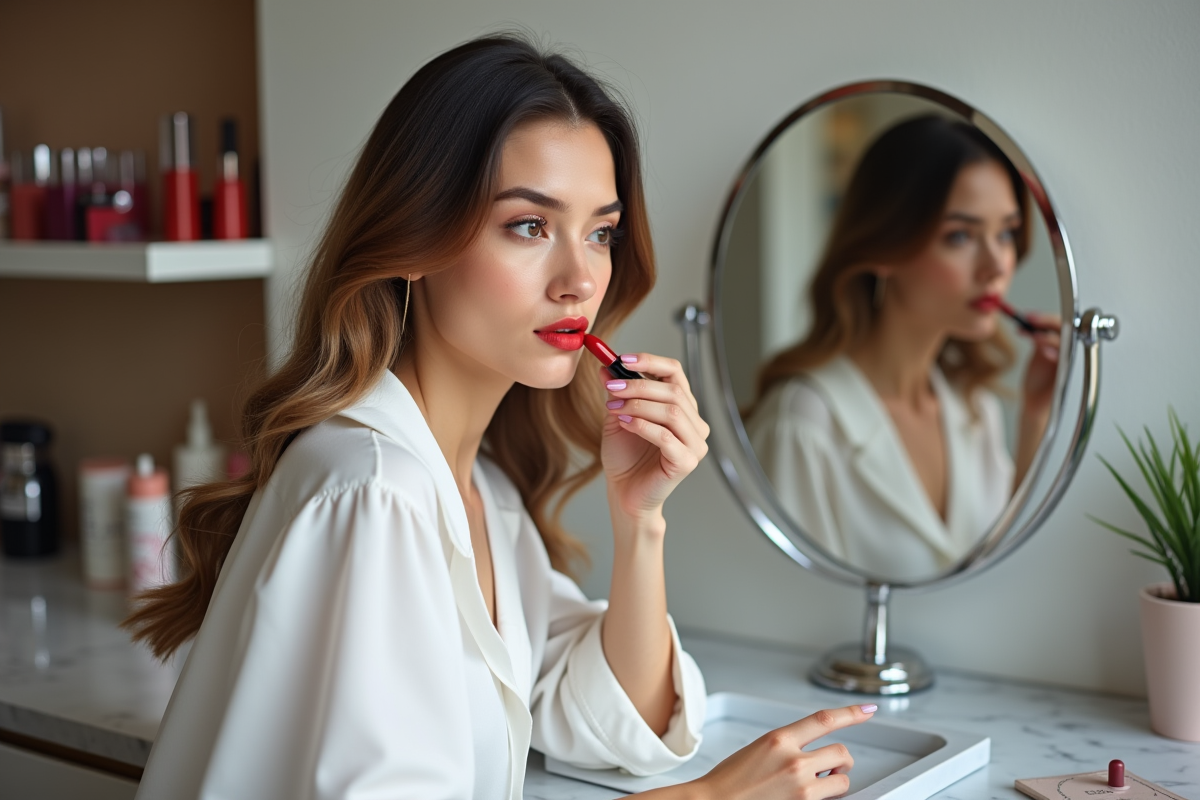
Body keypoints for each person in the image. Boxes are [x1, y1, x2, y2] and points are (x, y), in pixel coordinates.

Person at [124, 35, 874, 800]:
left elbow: (609, 718)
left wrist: (638, 521)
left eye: (601, 233)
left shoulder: (479, 491)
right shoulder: (376, 492)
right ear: (414, 239)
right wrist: (714, 797)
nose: (580, 280)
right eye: (529, 226)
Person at [745, 114, 1061, 582]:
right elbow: (789, 604)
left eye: (1007, 233)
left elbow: (1001, 582)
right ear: (885, 246)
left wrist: (1036, 418)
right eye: (960, 236)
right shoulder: (803, 423)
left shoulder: (976, 408)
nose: (997, 264)